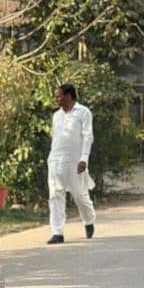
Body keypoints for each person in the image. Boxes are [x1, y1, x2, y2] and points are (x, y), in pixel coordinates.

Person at [46, 83, 96, 244]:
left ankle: (88, 220)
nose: (56, 99)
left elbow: (88, 137)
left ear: (68, 96)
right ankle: (57, 232)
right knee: (55, 195)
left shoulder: (83, 112)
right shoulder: (56, 115)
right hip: (56, 160)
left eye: (59, 96)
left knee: (79, 196)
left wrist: (84, 159)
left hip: (75, 161)